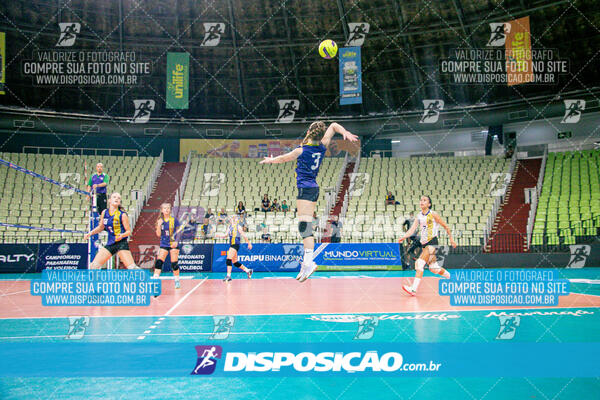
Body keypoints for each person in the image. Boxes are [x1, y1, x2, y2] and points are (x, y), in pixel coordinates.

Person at [260, 121, 358, 282]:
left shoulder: (301, 150)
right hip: (311, 188)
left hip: (306, 189)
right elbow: (333, 125)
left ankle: (308, 263)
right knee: (304, 226)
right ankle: (306, 263)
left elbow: (284, 159)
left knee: (305, 226)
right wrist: (344, 132)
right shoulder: (322, 145)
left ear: (309, 132)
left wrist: (270, 160)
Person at [398, 195, 457, 296]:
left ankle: (413, 289)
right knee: (433, 268)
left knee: (419, 263)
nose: (422, 202)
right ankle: (452, 278)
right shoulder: (419, 216)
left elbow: (446, 226)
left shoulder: (433, 214)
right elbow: (412, 230)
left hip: (432, 242)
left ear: (429, 204)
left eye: (424, 200)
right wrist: (403, 237)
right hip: (424, 244)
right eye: (421, 200)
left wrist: (451, 239)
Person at [84, 192, 138, 269]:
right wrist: (90, 233)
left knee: (132, 268)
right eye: (114, 197)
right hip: (110, 243)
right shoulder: (104, 212)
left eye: (118, 198)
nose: (117, 199)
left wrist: (122, 235)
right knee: (93, 266)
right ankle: (95, 281)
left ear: (119, 202)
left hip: (121, 243)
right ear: (109, 200)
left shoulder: (122, 215)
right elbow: (100, 227)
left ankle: (145, 279)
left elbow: (128, 232)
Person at [152, 203, 182, 290]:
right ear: (162, 210)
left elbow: (179, 232)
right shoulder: (159, 221)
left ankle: (176, 281)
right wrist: (158, 225)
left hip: (173, 243)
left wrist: (176, 241)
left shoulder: (174, 220)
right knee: (159, 262)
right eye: (164, 208)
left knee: (174, 263)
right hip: (164, 244)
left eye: (168, 208)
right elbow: (158, 234)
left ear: (170, 210)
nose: (166, 210)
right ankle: (155, 280)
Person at [215, 216, 253, 282]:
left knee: (228, 259)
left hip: (236, 244)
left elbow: (243, 235)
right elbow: (225, 235)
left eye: (233, 218)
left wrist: (249, 243)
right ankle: (248, 270)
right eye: (231, 218)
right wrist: (219, 235)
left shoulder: (238, 227)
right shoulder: (229, 227)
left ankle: (228, 276)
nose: (231, 219)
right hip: (232, 245)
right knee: (235, 262)